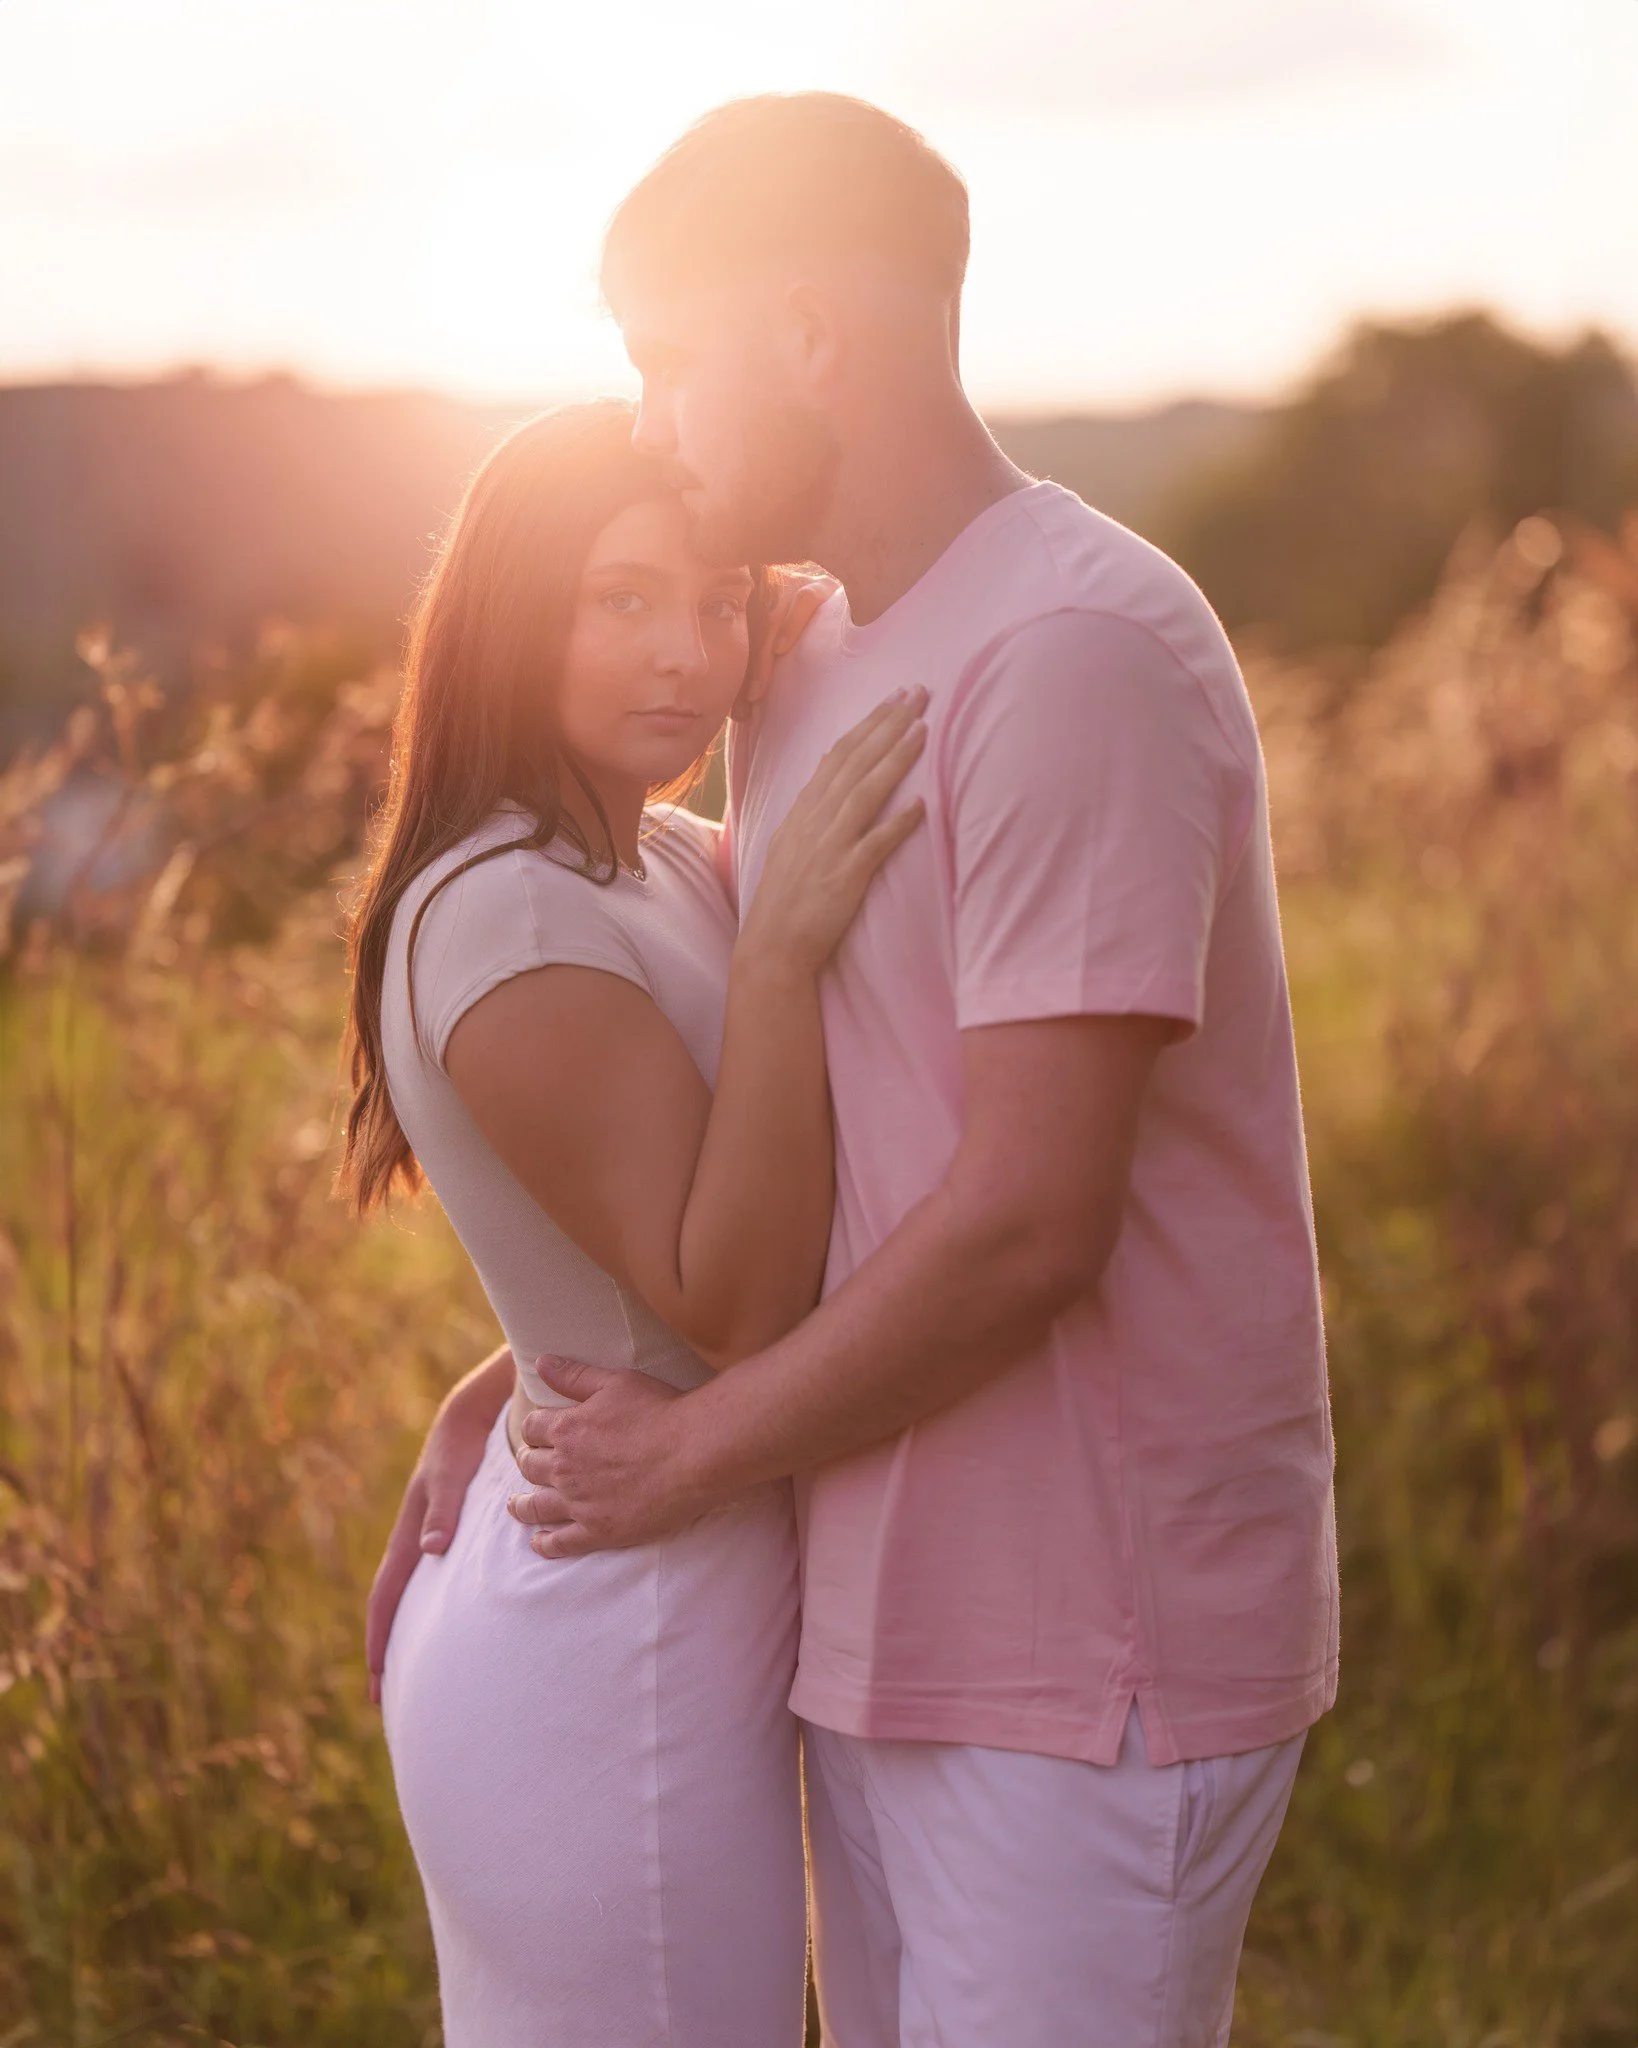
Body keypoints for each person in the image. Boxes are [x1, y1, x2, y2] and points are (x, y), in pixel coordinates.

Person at [372, 94, 1339, 2047]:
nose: (650, 421)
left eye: (667, 359)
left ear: (809, 332)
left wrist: (682, 1445)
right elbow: (806, 1097)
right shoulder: (805, 661)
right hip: (871, 1623)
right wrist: (555, 1351)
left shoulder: (1073, 650)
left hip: (1091, 1655)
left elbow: (1027, 1223)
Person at [340, 396, 927, 2047]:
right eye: (619, 600)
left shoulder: (639, 850)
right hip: (611, 1649)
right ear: (510, 611)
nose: (685, 652)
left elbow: (604, 1252)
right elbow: (731, 1304)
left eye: (718, 599)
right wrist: (785, 951)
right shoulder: (509, 905)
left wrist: (497, 1374)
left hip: (652, 1592)